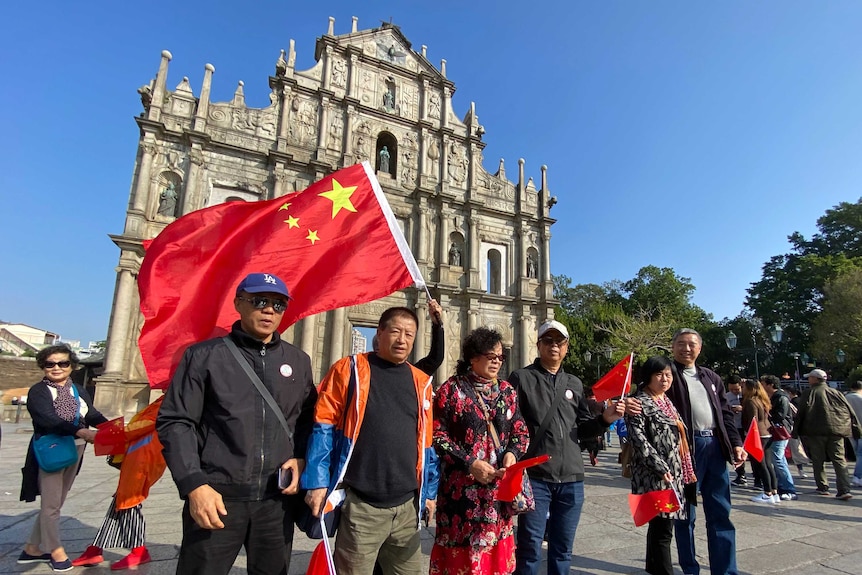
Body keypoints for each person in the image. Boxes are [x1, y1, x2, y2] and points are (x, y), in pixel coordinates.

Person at [156, 272, 317, 575]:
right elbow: (176, 422)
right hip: (217, 496)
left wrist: (302, 458)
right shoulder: (204, 356)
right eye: (259, 301)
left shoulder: (298, 361)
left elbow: (308, 419)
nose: (269, 310)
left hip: (275, 501)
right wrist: (194, 484)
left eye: (278, 305)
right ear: (238, 303)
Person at [302, 306, 439, 575]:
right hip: (362, 506)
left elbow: (426, 444)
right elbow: (323, 427)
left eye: (409, 334)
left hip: (406, 509)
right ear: (380, 333)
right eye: (396, 331)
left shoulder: (421, 381)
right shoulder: (349, 369)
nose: (403, 340)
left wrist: (429, 494)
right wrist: (317, 483)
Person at [510, 320, 627, 575]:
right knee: (529, 546)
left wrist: (606, 419)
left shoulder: (573, 382)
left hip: (572, 477)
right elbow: (512, 425)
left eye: (559, 342)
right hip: (536, 476)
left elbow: (584, 429)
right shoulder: (521, 378)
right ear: (539, 344)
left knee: (563, 548)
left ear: (566, 347)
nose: (554, 346)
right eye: (548, 341)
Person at [430, 327, 530, 574]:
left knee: (494, 562)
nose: (497, 361)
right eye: (491, 356)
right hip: (461, 496)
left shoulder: (507, 392)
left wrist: (512, 455)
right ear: (473, 357)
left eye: (500, 357)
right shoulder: (451, 390)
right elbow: (436, 435)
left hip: (497, 496)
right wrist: (469, 463)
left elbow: (520, 431)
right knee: (461, 563)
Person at [19, 344, 108, 572]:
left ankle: (31, 548)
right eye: (50, 364)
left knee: (56, 503)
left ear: (72, 366)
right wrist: (81, 431)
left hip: (76, 449)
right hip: (52, 448)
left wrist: (112, 429)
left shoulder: (77, 389)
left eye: (63, 363)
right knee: (51, 504)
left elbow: (92, 414)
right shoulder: (39, 391)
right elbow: (48, 419)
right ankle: (54, 549)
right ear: (43, 366)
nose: (56, 368)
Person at [666, 328, 745, 575]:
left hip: (714, 447)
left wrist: (736, 443)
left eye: (691, 344)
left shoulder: (711, 377)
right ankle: (690, 568)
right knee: (685, 515)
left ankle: (725, 570)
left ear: (699, 348)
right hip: (685, 450)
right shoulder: (666, 375)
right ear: (673, 347)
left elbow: (724, 415)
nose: (686, 348)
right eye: (681, 343)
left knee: (720, 511)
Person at [626, 356, 697, 575]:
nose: (665, 379)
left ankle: (653, 567)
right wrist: (660, 467)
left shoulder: (665, 401)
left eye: (668, 375)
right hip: (655, 476)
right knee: (663, 528)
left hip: (674, 472)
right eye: (659, 374)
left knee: (660, 527)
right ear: (648, 376)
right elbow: (639, 440)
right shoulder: (639, 402)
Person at [793, 369, 861, 501]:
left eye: (810, 378)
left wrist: (796, 432)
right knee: (839, 459)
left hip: (816, 431)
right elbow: (850, 411)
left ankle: (823, 487)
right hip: (837, 431)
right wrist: (856, 429)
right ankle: (844, 489)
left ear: (815, 379)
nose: (808, 380)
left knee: (818, 460)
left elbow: (801, 413)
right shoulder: (836, 392)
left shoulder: (810, 393)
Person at [741, 379, 779, 504]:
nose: (743, 389)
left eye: (744, 387)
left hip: (758, 435)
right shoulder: (763, 400)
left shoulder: (751, 401)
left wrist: (748, 432)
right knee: (768, 464)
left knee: (761, 464)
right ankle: (774, 491)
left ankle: (767, 492)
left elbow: (753, 420)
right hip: (766, 433)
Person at [761, 374, 797, 500]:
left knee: (778, 459)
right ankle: (783, 486)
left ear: (770, 385)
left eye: (764, 384)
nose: (762, 386)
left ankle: (789, 488)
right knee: (778, 459)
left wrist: (767, 414)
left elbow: (780, 415)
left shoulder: (780, 397)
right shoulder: (778, 397)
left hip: (780, 431)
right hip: (778, 431)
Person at [724, 376, 747, 487]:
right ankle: (741, 474)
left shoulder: (746, 394)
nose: (734, 392)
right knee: (736, 452)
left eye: (737, 389)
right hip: (734, 426)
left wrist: (743, 408)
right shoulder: (726, 397)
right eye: (732, 389)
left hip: (745, 426)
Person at [783, 385, 810, 478]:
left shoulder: (789, 402)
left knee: (795, 448)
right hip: (800, 427)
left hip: (791, 427)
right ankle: (802, 469)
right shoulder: (801, 401)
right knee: (797, 448)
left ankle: (800, 469)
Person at [846, 380, 862, 486]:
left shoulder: (845, 398)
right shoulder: (860, 398)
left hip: (849, 429)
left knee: (857, 453)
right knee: (861, 454)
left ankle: (857, 476)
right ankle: (857, 476)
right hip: (861, 428)